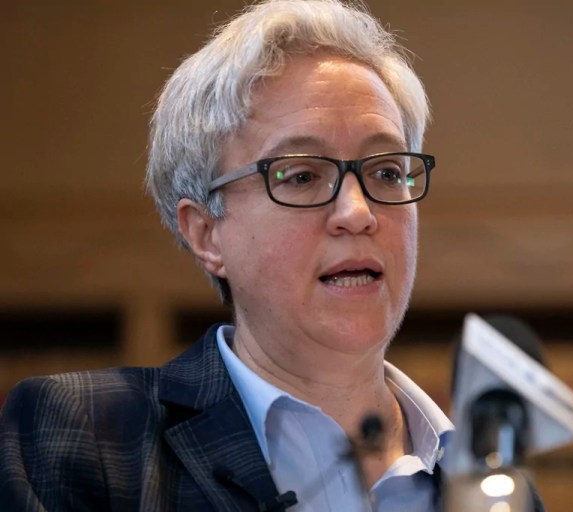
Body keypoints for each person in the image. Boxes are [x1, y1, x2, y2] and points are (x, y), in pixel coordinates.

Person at [0, 0, 453, 510]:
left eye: (387, 172)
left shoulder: (483, 481)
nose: (357, 211)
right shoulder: (94, 435)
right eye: (301, 176)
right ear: (207, 233)